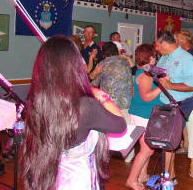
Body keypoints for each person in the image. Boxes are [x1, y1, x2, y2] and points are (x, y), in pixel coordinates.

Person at [21, 35, 127, 190]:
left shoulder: (37, 102)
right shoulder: (85, 106)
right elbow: (120, 124)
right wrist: (101, 96)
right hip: (76, 181)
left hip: (45, 177)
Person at [156, 31, 193, 184]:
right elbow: (159, 74)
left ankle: (168, 177)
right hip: (164, 102)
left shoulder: (186, 58)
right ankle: (170, 175)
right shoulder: (164, 57)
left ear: (164, 44)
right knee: (166, 140)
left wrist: (171, 85)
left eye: (158, 45)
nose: (156, 48)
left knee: (168, 140)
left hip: (181, 103)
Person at [126, 44, 162, 190]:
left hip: (140, 113)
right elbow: (146, 97)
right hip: (144, 114)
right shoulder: (146, 75)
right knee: (148, 150)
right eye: (154, 56)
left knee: (145, 147)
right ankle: (131, 179)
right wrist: (161, 87)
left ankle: (142, 175)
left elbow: (135, 92)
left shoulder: (141, 72)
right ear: (151, 57)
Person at [175, 30, 193, 179]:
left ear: (184, 41)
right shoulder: (184, 55)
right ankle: (187, 148)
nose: (175, 42)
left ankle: (192, 161)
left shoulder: (191, 57)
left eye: (177, 39)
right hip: (185, 96)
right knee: (188, 127)